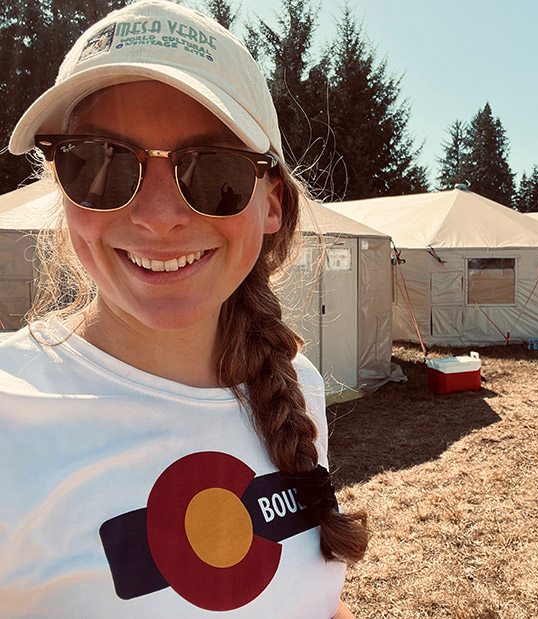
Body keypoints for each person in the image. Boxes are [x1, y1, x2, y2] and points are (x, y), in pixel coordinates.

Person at [0, 1, 368, 617]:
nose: (159, 217)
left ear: (270, 203)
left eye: (215, 171)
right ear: (58, 186)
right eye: (98, 163)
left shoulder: (295, 387)